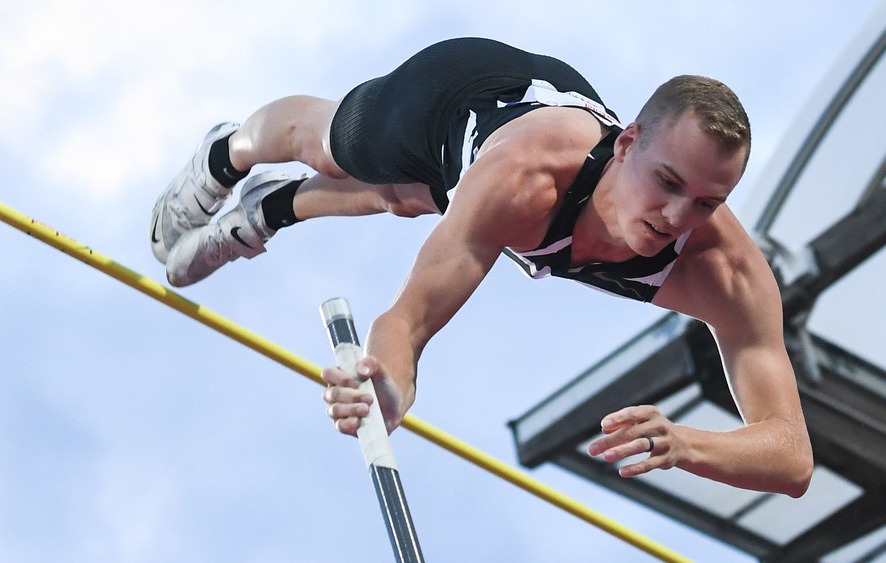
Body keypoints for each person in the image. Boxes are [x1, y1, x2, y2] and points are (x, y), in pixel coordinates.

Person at [150, 37, 813, 497]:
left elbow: (790, 454)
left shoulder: (725, 270)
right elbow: (406, 325)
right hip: (459, 97)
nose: (674, 216)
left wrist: (687, 443)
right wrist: (389, 391)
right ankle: (224, 157)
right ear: (628, 143)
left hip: (506, 186)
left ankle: (271, 210)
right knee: (339, 151)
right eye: (667, 181)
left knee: (413, 198)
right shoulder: (523, 181)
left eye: (706, 201)